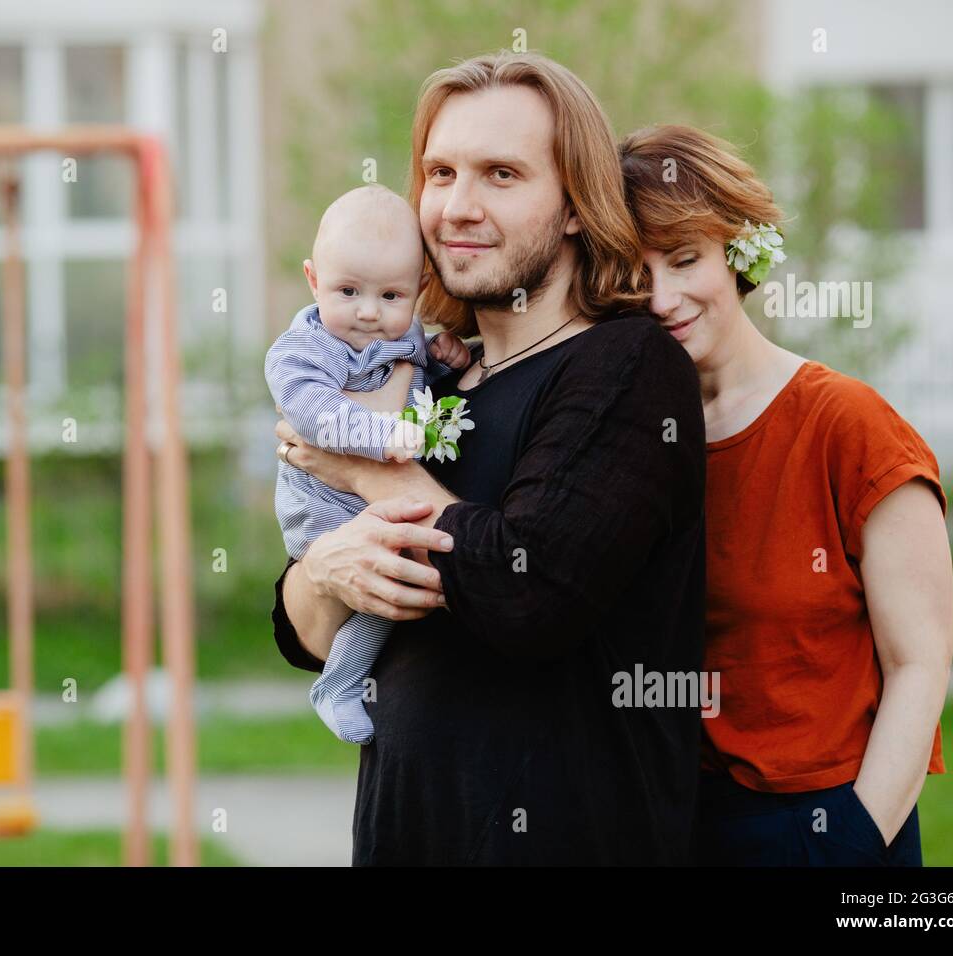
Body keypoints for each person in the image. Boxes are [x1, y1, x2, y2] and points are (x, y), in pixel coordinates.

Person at [270, 51, 706, 864]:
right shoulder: (430, 379)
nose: (456, 208)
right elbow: (306, 636)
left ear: (575, 205)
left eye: (500, 174)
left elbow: (528, 590)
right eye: (440, 172)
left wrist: (367, 472)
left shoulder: (625, 369)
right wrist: (328, 569)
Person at [619, 124, 953, 865]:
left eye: (683, 260)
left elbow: (920, 664)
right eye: (635, 276)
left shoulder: (849, 425)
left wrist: (855, 841)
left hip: (829, 826)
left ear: (738, 254)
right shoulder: (632, 443)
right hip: (679, 820)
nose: (662, 299)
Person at [264, 184, 471, 744]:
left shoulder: (406, 334)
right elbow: (314, 417)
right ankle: (340, 683)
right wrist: (383, 435)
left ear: (420, 290)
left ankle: (342, 679)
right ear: (313, 281)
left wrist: (446, 358)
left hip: (378, 506)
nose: (368, 313)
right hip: (322, 507)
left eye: (390, 295)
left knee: (394, 588)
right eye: (348, 290)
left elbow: (419, 374)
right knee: (382, 578)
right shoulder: (303, 351)